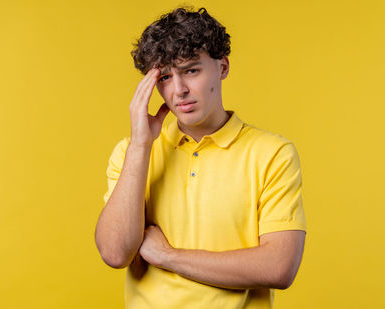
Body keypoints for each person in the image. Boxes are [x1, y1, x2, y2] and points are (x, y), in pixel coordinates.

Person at [95, 6, 307, 308]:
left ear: (222, 67)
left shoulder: (273, 154)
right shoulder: (132, 153)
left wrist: (168, 257)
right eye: (165, 77)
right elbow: (115, 253)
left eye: (191, 70)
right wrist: (140, 147)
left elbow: (279, 266)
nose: (178, 90)